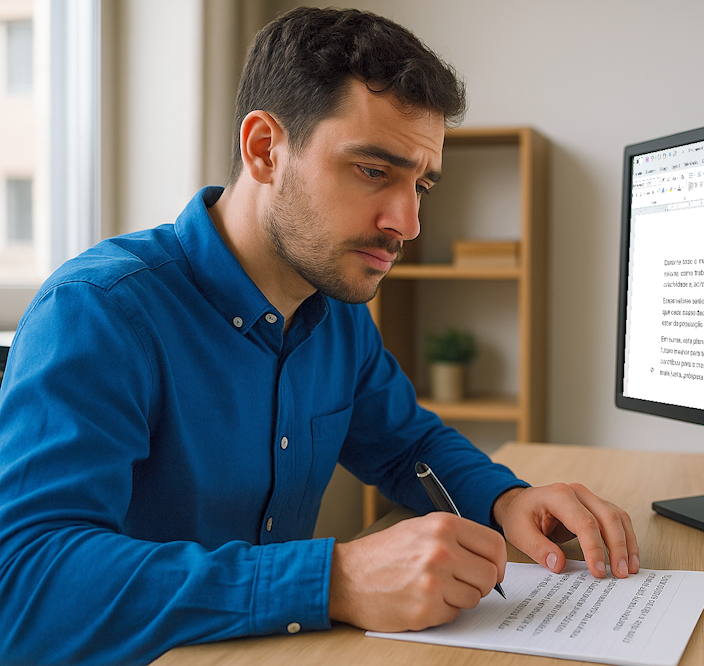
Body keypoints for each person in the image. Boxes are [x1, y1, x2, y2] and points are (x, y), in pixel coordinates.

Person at [0, 7, 638, 665]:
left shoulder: (334, 312)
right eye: (373, 171)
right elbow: (23, 583)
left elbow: (408, 445)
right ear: (264, 150)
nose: (408, 222)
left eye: (421, 184)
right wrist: (335, 579)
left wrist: (505, 498)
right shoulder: (99, 312)